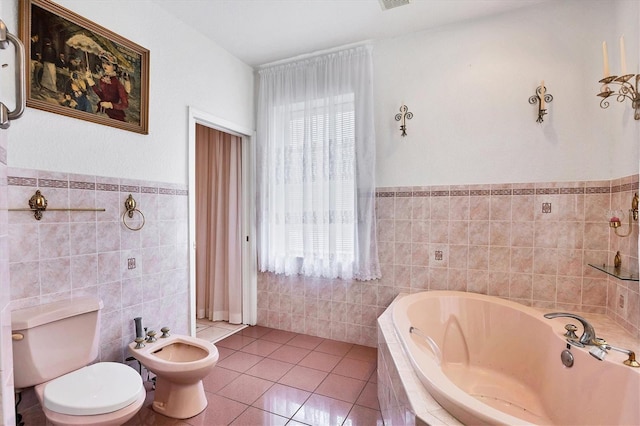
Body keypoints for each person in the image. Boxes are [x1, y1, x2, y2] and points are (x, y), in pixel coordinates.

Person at [85, 52, 128, 121]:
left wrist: (110, 105)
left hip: (114, 114)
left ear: (114, 67)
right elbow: (102, 96)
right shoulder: (102, 79)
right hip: (103, 110)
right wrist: (91, 82)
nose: (104, 66)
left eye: (108, 64)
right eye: (103, 63)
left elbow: (125, 104)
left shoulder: (118, 82)